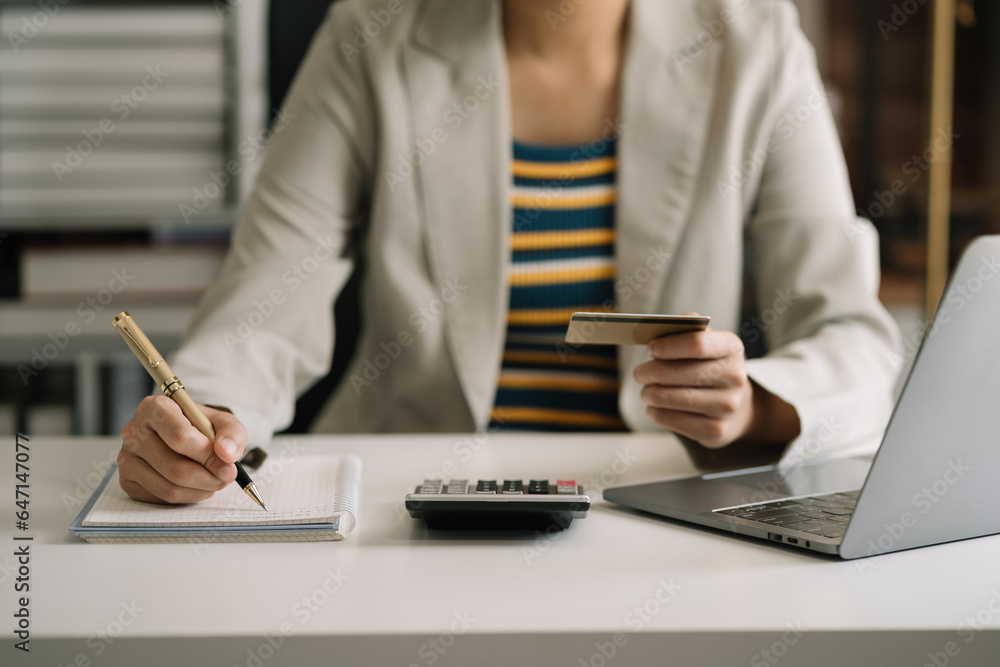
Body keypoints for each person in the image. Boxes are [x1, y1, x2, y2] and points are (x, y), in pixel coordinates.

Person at [117, 0, 901, 504]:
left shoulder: (756, 43)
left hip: (655, 515)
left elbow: (854, 340)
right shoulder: (372, 36)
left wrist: (752, 403)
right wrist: (208, 417)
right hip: (409, 506)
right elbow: (263, 305)